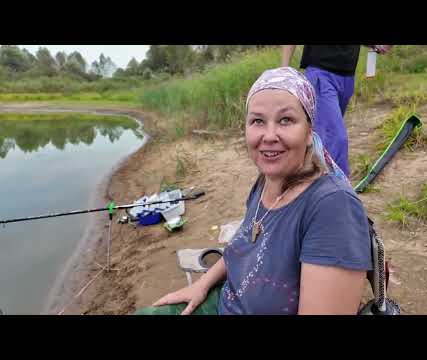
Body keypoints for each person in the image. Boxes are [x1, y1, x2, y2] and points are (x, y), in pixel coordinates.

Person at [135, 67, 372, 315]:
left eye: (286, 120)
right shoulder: (266, 182)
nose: (269, 136)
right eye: (258, 121)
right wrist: (202, 285)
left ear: (309, 132)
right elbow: (242, 247)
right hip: (225, 301)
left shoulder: (332, 207)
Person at [281, 45, 392, 177]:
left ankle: (304, 181)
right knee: (336, 139)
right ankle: (338, 191)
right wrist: (284, 69)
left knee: (322, 139)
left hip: (347, 77)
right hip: (321, 73)